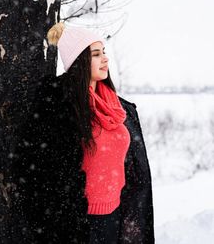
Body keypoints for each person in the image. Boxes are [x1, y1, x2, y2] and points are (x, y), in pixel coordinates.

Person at [13, 22, 154, 244]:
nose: (105, 59)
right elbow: (37, 170)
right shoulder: (60, 106)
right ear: (79, 61)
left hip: (116, 215)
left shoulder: (117, 107)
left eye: (104, 52)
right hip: (81, 222)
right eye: (96, 54)